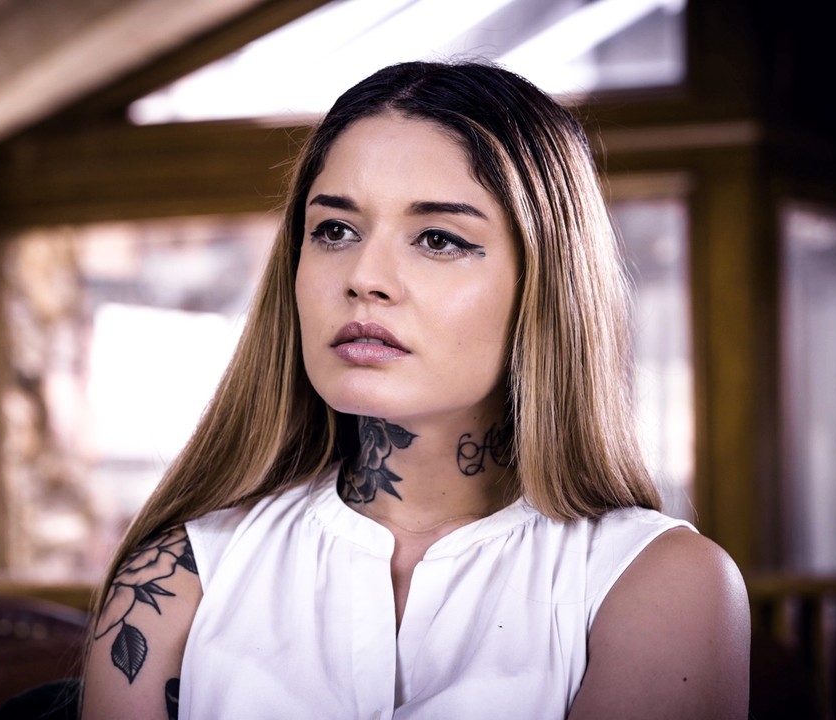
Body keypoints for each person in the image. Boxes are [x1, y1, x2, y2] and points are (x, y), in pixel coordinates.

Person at [80, 60, 750, 720]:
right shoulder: (175, 580)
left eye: (437, 238)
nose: (365, 277)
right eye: (335, 230)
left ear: (547, 282)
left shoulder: (657, 583)